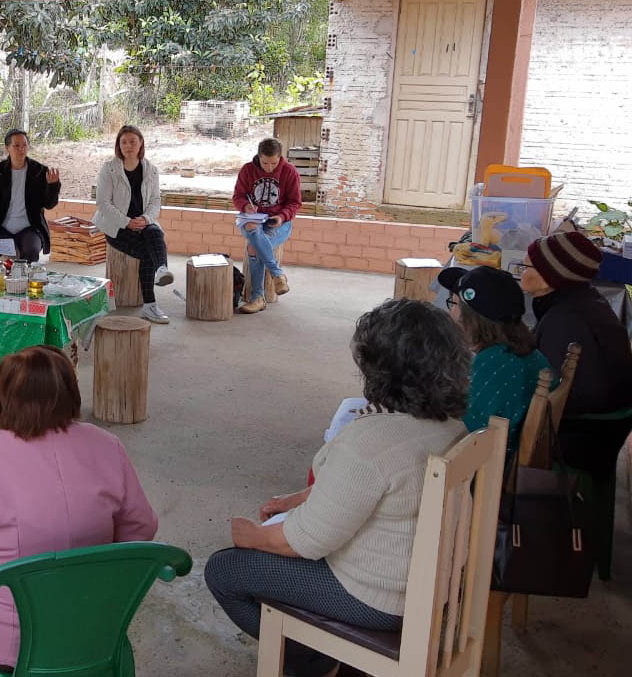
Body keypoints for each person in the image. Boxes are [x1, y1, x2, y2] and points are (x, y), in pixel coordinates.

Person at [204, 299, 468, 677]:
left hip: (378, 600)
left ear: (378, 370)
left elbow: (305, 541)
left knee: (225, 571)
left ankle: (314, 662)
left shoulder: (370, 442)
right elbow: (377, 492)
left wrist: (251, 537)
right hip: (430, 589)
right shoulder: (450, 427)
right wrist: (300, 498)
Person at [0, 345, 158, 667]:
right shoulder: (108, 446)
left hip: (5, 642)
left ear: (3, 395)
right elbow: (140, 531)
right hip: (95, 631)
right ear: (71, 392)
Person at [519, 230, 632, 478]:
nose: (520, 272)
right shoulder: (580, 302)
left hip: (587, 435)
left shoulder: (566, 320)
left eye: (525, 267)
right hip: (604, 425)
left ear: (549, 278)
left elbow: (556, 396)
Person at [439, 265, 552, 457]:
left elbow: (470, 434)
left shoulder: (493, 363)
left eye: (454, 303)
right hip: (510, 452)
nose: (452, 313)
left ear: (471, 317)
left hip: (489, 468)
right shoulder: (524, 350)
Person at [94, 125, 174, 324]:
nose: (128, 146)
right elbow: (103, 203)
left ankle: (161, 270)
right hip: (117, 227)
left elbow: (156, 200)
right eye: (124, 142)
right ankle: (150, 305)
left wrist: (145, 219)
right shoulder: (109, 169)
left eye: (133, 141)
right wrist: (127, 222)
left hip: (143, 223)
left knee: (155, 231)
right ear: (118, 145)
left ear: (141, 144)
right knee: (148, 252)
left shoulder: (151, 170)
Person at [233, 137, 302, 314]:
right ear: (258, 156)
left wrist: (281, 216)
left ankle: (258, 298)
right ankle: (277, 273)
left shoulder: (289, 171)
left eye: (274, 163)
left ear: (280, 157)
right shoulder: (247, 170)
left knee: (253, 248)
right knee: (251, 228)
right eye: (265, 163)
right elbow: (238, 196)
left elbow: (295, 203)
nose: (269, 168)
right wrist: (245, 206)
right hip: (253, 219)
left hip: (278, 222)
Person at [0, 129, 61, 262]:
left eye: (24, 145)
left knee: (31, 251)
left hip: (30, 228)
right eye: (16, 146)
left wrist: (52, 186)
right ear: (7, 148)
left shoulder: (39, 171)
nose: (21, 149)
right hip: (2, 227)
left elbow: (49, 204)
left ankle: (27, 281)